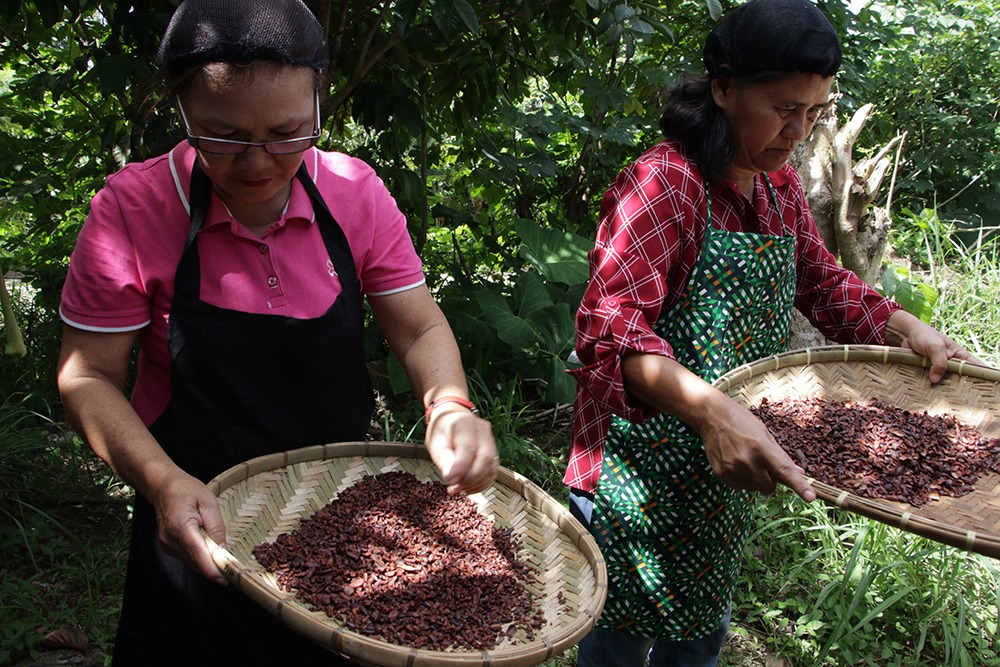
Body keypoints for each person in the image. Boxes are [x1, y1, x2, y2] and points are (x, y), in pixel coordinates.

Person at [55, 0, 497, 664]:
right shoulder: (132, 210)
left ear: (319, 105)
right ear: (180, 113)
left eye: (288, 131)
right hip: (196, 526)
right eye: (224, 136)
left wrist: (449, 404)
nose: (259, 163)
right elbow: (87, 375)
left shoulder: (353, 193)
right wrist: (161, 481)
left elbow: (417, 327)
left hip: (347, 530)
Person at [564, 1, 984, 665]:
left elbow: (823, 282)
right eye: (785, 108)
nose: (800, 130)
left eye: (815, 112)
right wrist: (711, 413)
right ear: (725, 87)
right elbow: (609, 333)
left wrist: (910, 328)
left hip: (725, 468)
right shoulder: (665, 185)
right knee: (616, 648)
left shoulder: (777, 187)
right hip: (632, 478)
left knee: (697, 641)